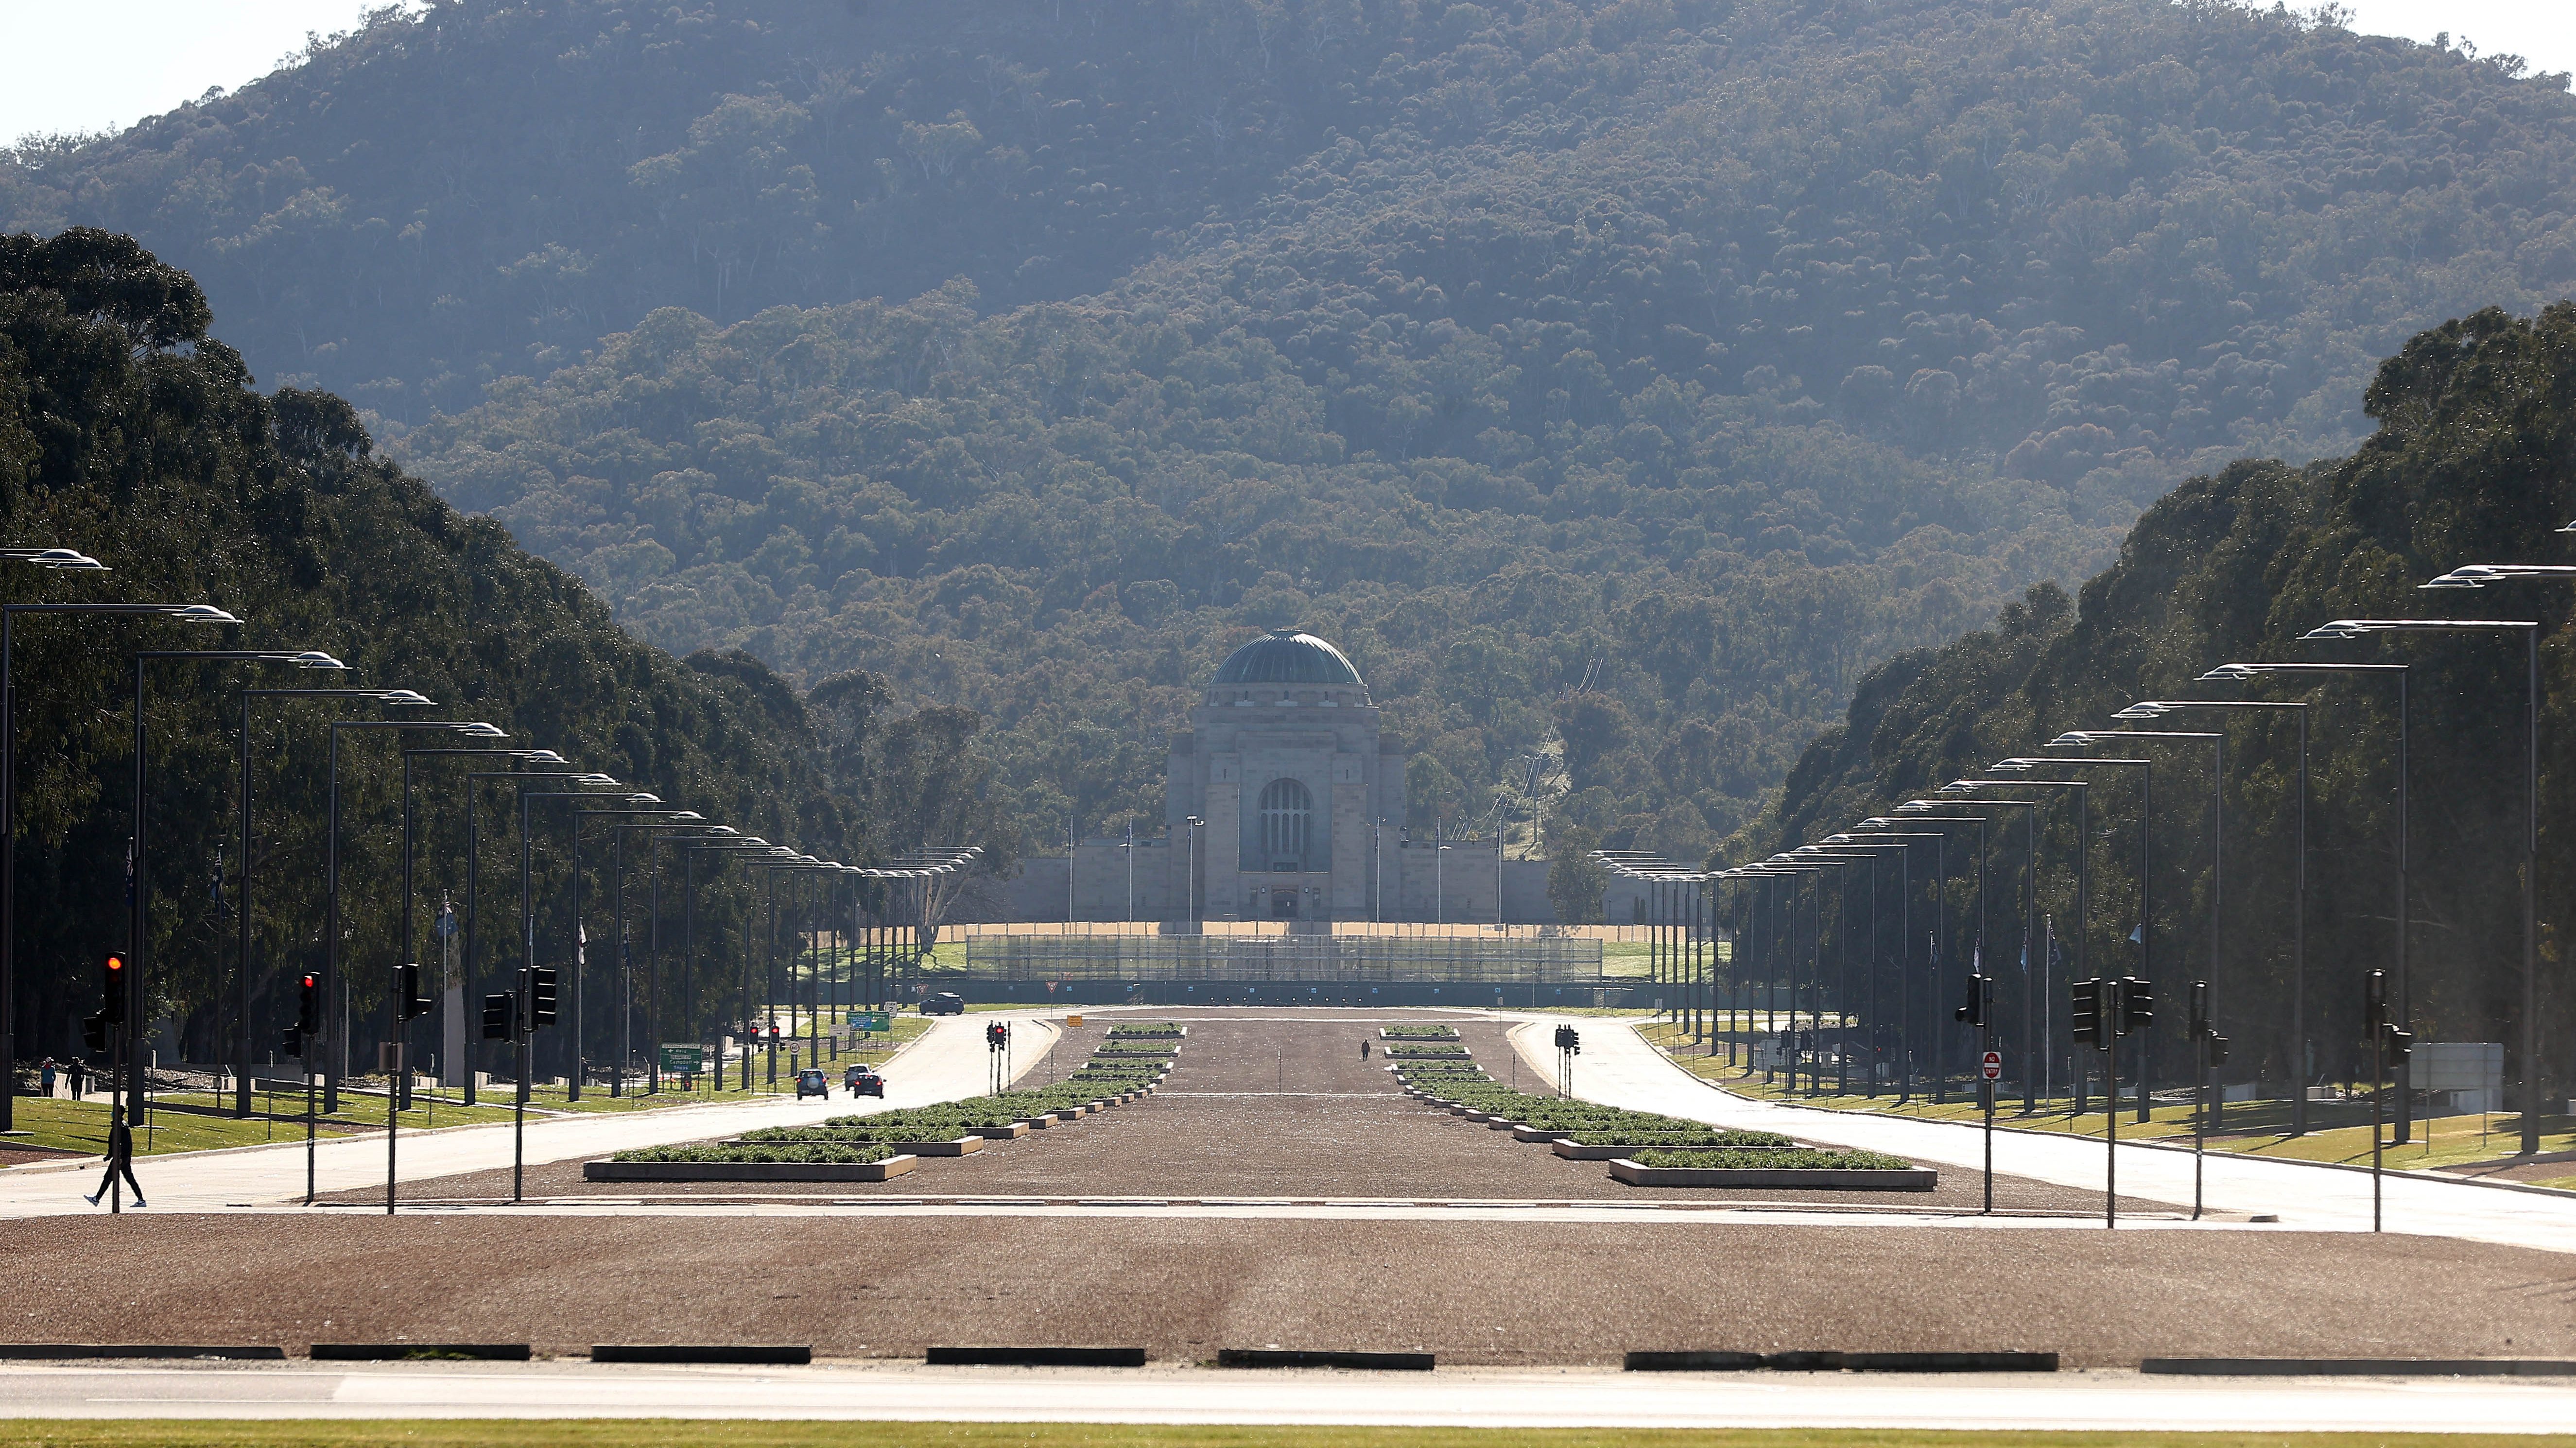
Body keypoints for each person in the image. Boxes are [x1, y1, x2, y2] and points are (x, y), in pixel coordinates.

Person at [85, 1107, 144, 1208]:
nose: (112, 1114)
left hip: (120, 1157)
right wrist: (109, 1156)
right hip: (122, 1157)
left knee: (108, 1178)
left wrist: (121, 1157)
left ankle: (97, 1199)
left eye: (114, 1112)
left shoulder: (121, 1127)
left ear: (119, 1113)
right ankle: (141, 1200)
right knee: (129, 1178)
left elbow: (124, 1144)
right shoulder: (120, 1125)